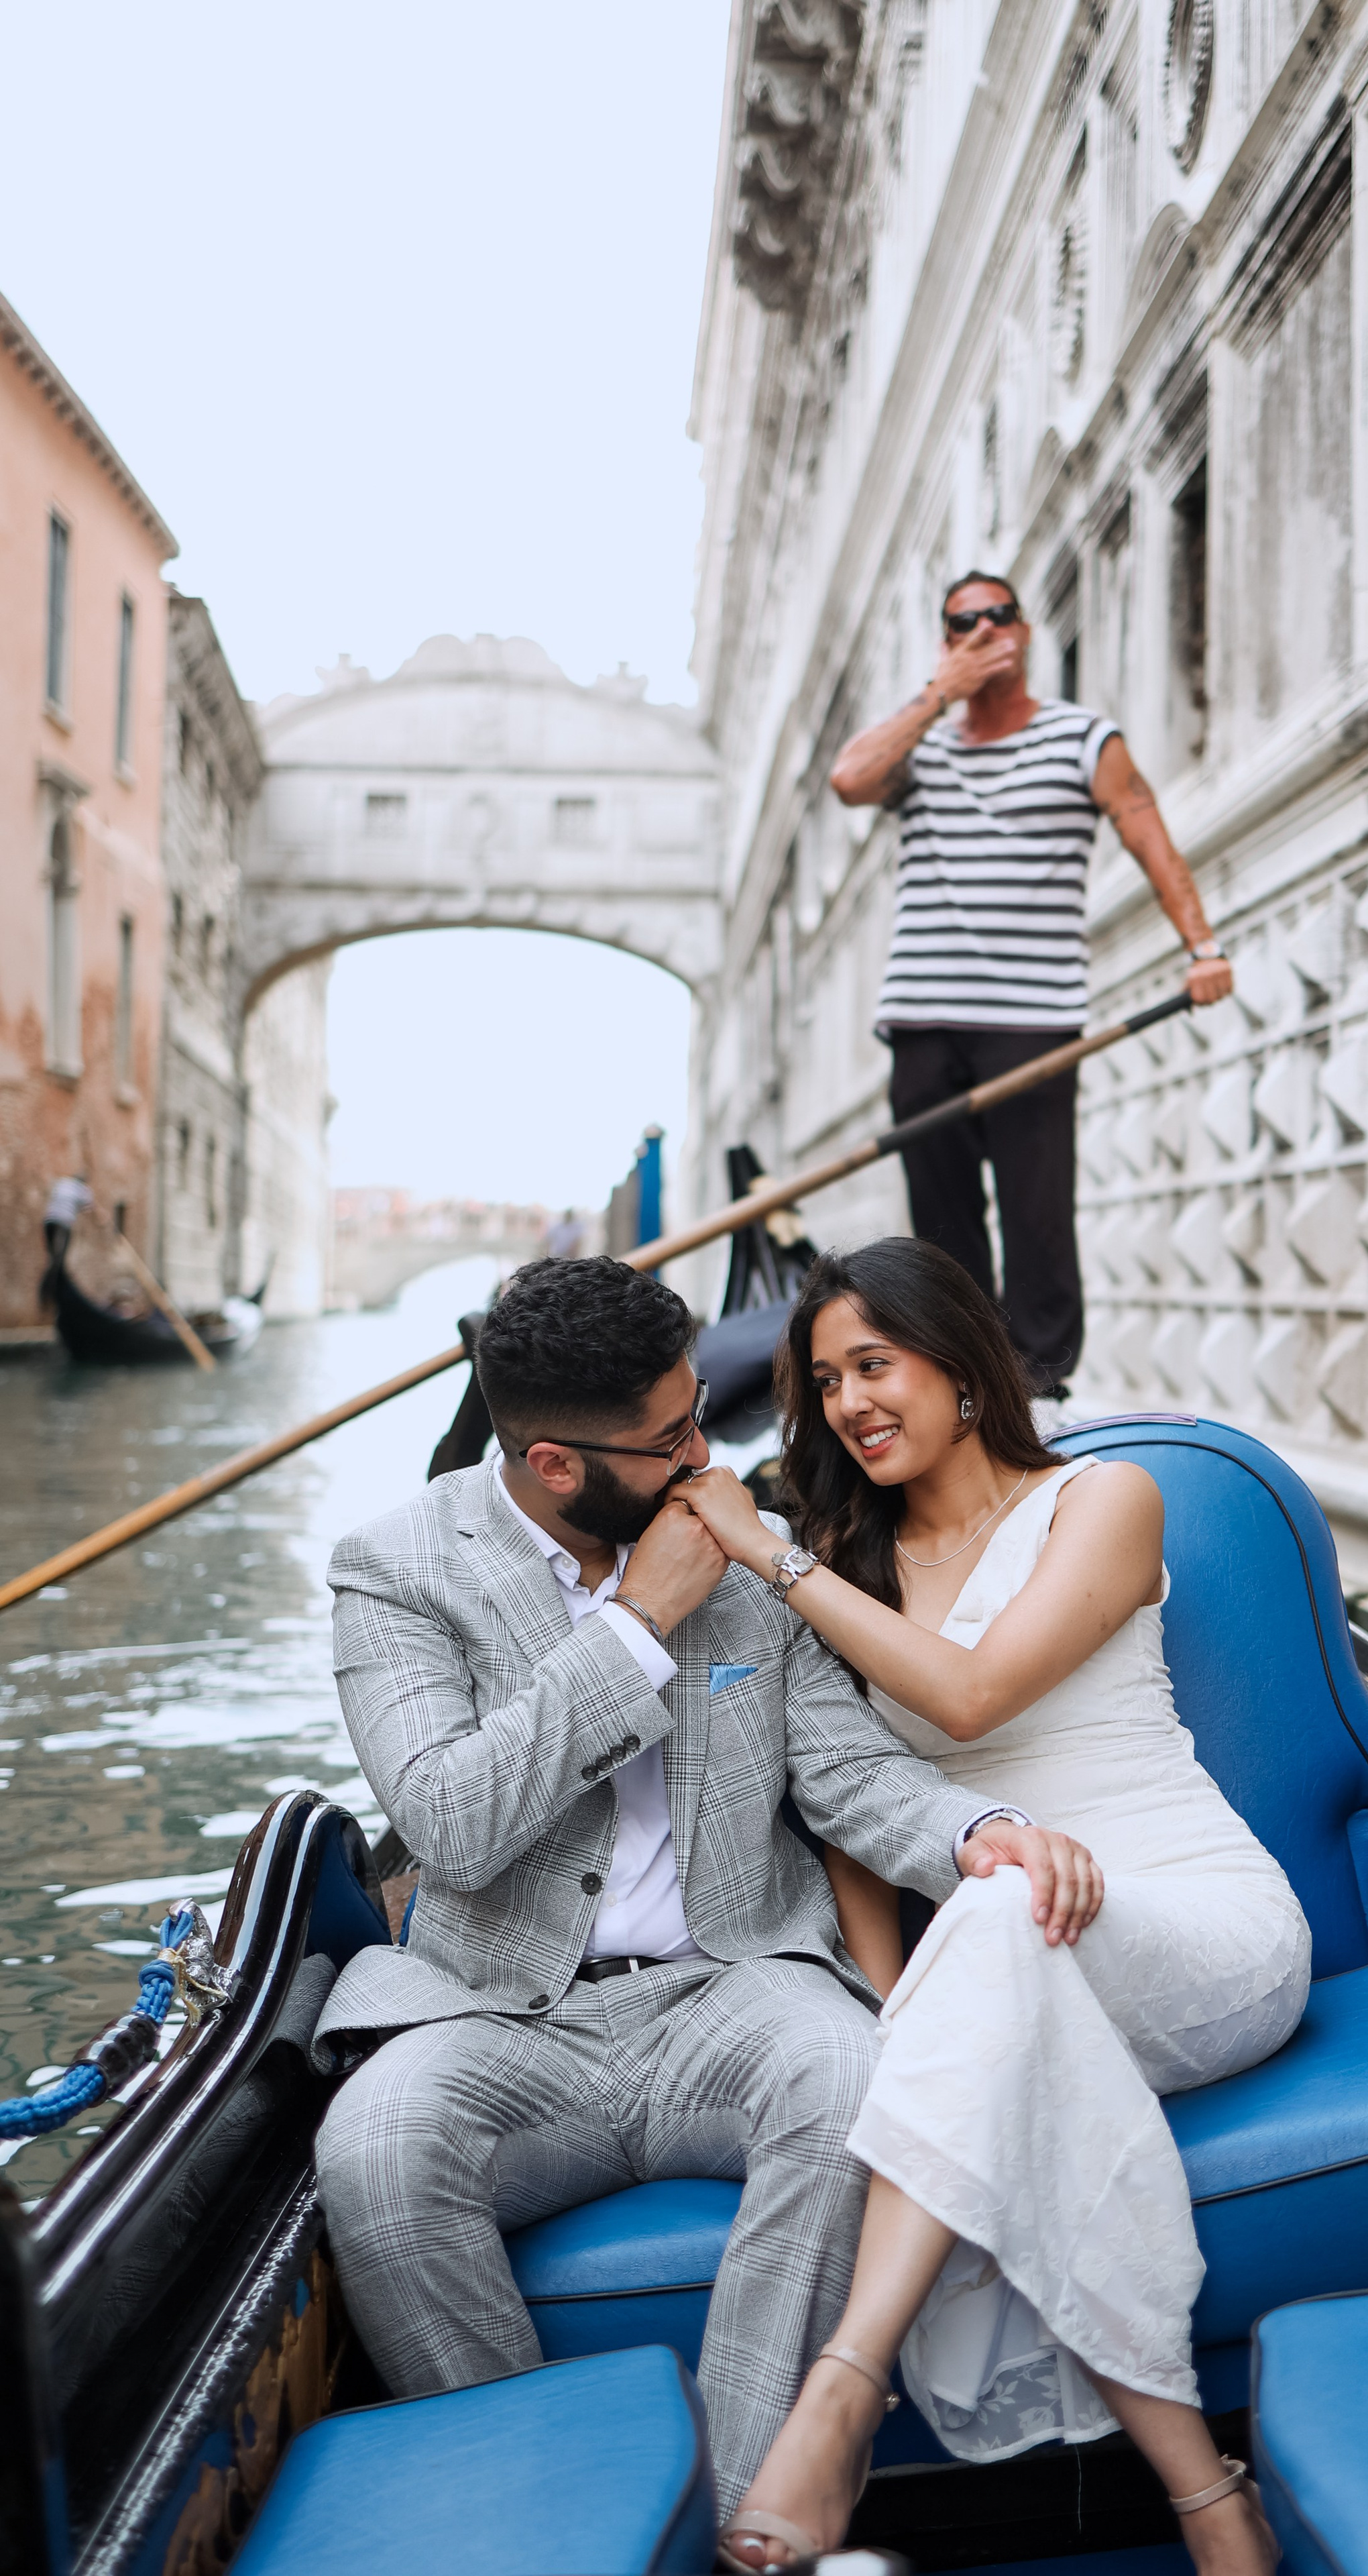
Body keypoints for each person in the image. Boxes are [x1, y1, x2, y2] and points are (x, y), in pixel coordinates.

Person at [308, 1253, 1103, 2527]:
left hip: (732, 1986)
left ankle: (751, 2523)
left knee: (854, 2083)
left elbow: (847, 1773)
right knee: (376, 2148)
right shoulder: (396, 1569)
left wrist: (982, 1832)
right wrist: (635, 1628)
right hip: (501, 2016)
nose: (705, 1457)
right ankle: (551, 2528)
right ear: (555, 1464)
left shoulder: (748, 1548)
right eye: (672, 1439)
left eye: (698, 1416)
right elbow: (450, 1826)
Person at [681, 1238, 1310, 2576]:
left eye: (873, 1365)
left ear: (960, 1366)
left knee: (997, 1905)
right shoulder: (848, 1557)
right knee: (997, 1928)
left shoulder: (1102, 1499)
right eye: (823, 1382)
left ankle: (842, 2391)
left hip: (1196, 1928)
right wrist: (889, 2017)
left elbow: (970, 1699)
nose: (849, 1403)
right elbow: (852, 1819)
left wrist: (768, 1556)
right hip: (1010, 1944)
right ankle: (1209, 2500)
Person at [830, 572, 1233, 1399]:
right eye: (962, 623)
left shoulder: (1083, 739)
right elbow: (848, 781)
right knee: (942, 1222)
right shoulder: (920, 748)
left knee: (1037, 1214)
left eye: (998, 616)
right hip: (922, 1017)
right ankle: (961, 1377)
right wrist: (937, 695)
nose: (983, 631)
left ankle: (1039, 1388)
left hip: (1032, 1019)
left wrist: (1202, 947)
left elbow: (1147, 835)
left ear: (1025, 631)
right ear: (946, 642)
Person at [42, 1173, 92, 1270]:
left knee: (52, 1255)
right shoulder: (83, 1189)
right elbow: (88, 1207)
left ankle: (54, 1271)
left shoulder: (62, 1182)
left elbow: (51, 1192)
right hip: (64, 1222)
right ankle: (57, 1273)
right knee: (60, 1256)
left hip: (49, 1220)